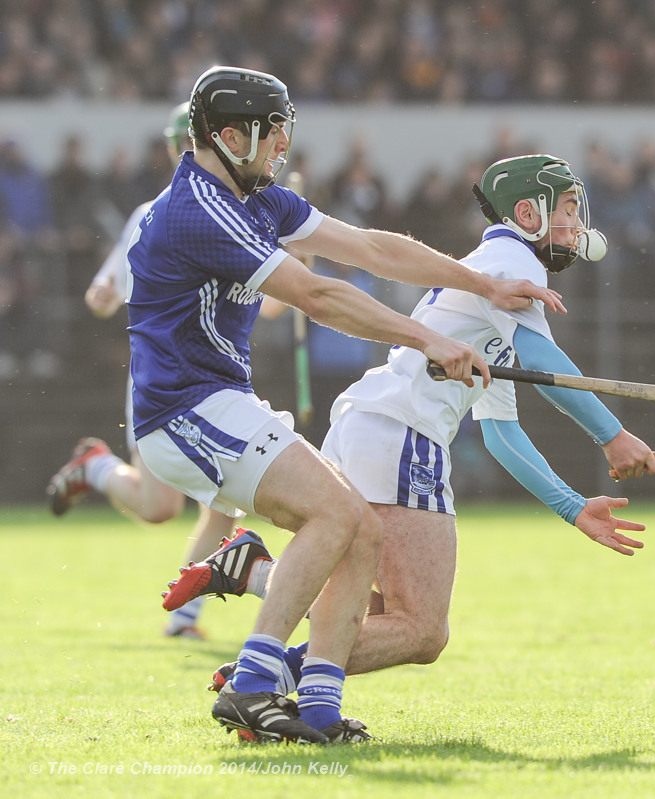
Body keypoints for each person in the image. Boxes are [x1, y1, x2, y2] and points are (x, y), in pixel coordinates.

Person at [128, 66, 562, 746]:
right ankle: (251, 685)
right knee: (336, 514)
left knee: (360, 529)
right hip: (184, 409)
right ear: (231, 136)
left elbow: (368, 248)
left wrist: (478, 280)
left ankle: (320, 710)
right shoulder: (200, 208)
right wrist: (429, 337)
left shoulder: (259, 201)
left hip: (221, 401)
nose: (282, 149)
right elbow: (321, 295)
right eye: (272, 136)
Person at [162, 154, 655, 702]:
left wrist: (571, 506)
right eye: (567, 210)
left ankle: (257, 582)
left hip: (371, 426)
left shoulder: (492, 289)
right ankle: (267, 674)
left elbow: (502, 434)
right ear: (528, 214)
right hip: (402, 434)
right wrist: (612, 435)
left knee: (370, 609)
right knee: (421, 629)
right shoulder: (513, 260)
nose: (577, 225)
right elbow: (548, 364)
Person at [45, 102, 237, 640]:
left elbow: (270, 303)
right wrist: (103, 293)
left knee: (231, 496)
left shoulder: (244, 212)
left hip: (220, 378)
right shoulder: (153, 212)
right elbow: (103, 299)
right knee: (158, 507)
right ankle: (97, 467)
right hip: (163, 380)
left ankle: (184, 616)